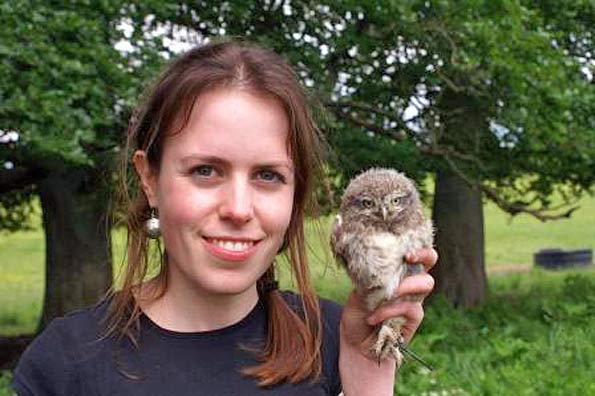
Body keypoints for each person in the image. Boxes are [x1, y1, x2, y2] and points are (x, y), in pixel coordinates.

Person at [12, 39, 437, 396]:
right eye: (205, 171)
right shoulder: (65, 365)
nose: (238, 208)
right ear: (149, 179)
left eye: (268, 176)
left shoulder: (334, 338)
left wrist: (366, 371)